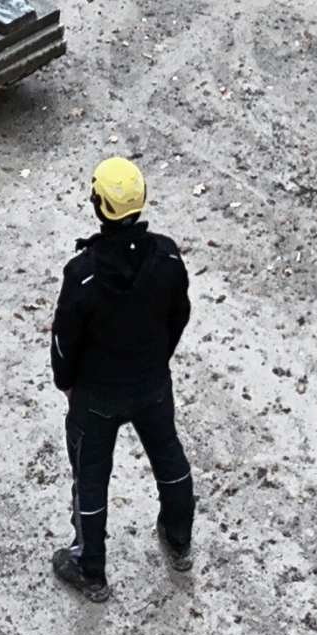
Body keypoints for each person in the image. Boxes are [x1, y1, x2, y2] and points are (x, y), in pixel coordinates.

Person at [49, 156, 195, 600]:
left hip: (96, 398)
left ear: (99, 205)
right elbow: (180, 314)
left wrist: (66, 382)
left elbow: (64, 340)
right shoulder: (167, 257)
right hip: (151, 386)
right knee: (168, 456)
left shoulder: (83, 275)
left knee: (91, 478)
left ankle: (90, 568)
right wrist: (157, 360)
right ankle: (178, 538)